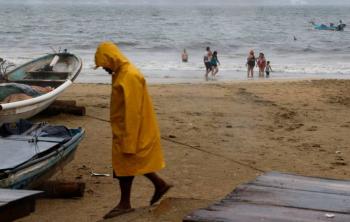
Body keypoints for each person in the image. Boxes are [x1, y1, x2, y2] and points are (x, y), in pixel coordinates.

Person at [94, 41, 172, 219]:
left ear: (111, 59)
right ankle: (159, 184)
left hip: (133, 129)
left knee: (125, 165)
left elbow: (133, 111)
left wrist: (129, 138)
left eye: (104, 65)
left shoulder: (129, 76)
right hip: (124, 128)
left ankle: (125, 204)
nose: (104, 69)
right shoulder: (121, 73)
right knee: (128, 163)